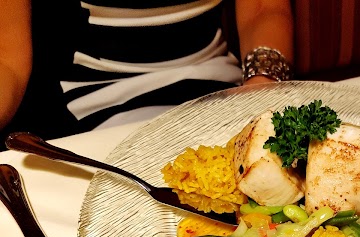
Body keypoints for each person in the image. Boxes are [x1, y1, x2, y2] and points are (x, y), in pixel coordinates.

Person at [0, 0, 294, 142]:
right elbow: (7, 58)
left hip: (219, 84)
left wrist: (262, 87)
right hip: (82, 101)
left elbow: (263, 9)